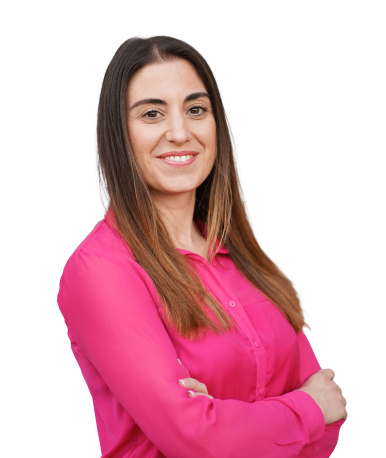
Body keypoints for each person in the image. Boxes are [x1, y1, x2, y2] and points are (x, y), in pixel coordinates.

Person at [57, 33, 347, 457]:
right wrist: (302, 411)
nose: (180, 132)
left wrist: (228, 418)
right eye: (152, 113)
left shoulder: (246, 258)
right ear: (119, 134)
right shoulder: (101, 271)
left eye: (196, 109)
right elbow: (196, 439)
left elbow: (330, 417)